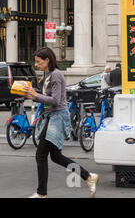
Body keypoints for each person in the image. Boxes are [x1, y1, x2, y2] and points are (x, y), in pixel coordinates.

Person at [25, 47, 99, 198]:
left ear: (47, 60)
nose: (36, 65)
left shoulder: (56, 75)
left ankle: (41, 194)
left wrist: (36, 96)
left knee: (41, 155)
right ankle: (88, 177)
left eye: (39, 62)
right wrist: (33, 92)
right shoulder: (47, 74)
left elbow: (56, 101)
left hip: (57, 118)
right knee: (55, 156)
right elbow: (47, 97)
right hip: (50, 117)